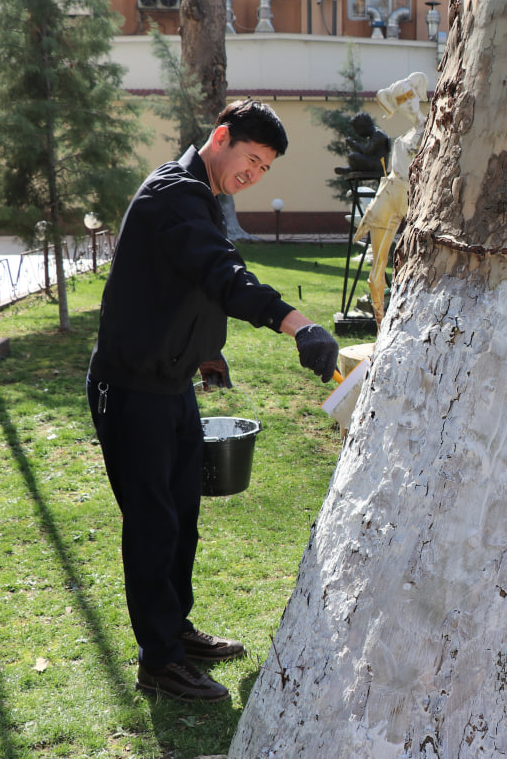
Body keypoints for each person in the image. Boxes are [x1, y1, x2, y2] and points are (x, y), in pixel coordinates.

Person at [86, 99, 341, 703]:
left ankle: (175, 630)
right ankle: (159, 662)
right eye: (251, 159)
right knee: (152, 524)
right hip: (131, 389)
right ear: (221, 137)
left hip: (171, 385)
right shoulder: (173, 194)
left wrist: (207, 354)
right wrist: (298, 324)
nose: (254, 174)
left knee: (181, 518)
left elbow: (188, 284)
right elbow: (223, 274)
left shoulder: (199, 196)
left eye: (265, 168)